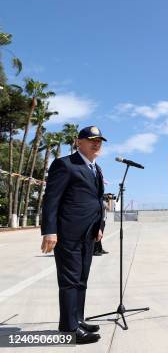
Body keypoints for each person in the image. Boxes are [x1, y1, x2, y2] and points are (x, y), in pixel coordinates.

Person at [40, 126, 107, 344]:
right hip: (67, 234)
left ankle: (77, 319)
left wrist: (99, 227)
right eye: (91, 140)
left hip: (88, 234)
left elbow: (97, 201)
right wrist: (50, 231)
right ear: (79, 142)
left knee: (81, 279)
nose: (96, 144)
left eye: (99, 141)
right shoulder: (65, 164)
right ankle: (69, 329)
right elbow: (51, 200)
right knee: (69, 281)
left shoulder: (96, 169)